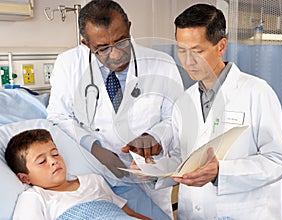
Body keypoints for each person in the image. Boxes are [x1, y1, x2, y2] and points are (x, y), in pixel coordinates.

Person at [46, 0, 183, 218]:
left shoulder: (162, 63)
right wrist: (96, 150)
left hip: (146, 173)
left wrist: (155, 136)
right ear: (87, 44)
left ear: (129, 27)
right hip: (93, 171)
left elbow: (176, 118)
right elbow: (57, 117)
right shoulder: (68, 64)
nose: (116, 54)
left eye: (121, 42)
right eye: (103, 48)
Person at [170, 3, 282, 220]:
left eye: (197, 51)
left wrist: (221, 172)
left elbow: (279, 162)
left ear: (221, 46)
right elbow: (181, 159)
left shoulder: (257, 92)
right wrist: (152, 167)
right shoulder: (183, 102)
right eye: (181, 50)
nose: (188, 61)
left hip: (245, 213)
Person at [4, 129, 150, 220]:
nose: (53, 161)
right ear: (25, 178)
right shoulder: (35, 197)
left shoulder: (94, 181)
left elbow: (128, 214)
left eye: (55, 154)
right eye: (42, 161)